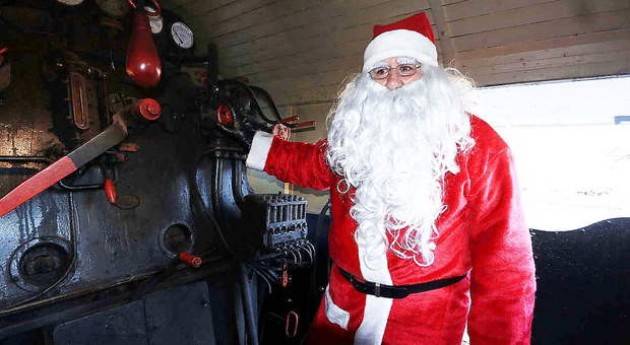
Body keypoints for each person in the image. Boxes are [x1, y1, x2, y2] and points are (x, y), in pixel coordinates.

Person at [246, 12, 536, 345]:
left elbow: (506, 271)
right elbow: (309, 164)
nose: (393, 81)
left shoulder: (481, 147)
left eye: (407, 68)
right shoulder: (353, 136)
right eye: (381, 71)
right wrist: (249, 142)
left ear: (431, 76)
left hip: (427, 325)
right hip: (342, 315)